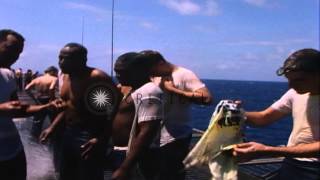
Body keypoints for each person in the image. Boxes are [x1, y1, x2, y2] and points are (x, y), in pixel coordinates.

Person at [233, 48, 320, 180]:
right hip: (292, 163)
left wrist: (267, 151)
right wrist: (238, 114)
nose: (291, 86)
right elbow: (264, 118)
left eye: (298, 80)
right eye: (289, 80)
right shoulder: (295, 93)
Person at [40, 43, 119, 180]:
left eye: (66, 59)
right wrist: (52, 127)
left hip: (90, 134)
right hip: (69, 132)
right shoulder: (67, 77)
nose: (61, 63)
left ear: (82, 60)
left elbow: (114, 110)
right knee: (66, 174)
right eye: (60, 58)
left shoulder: (95, 77)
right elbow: (68, 106)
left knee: (88, 175)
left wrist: (101, 138)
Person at [136, 50, 213, 179]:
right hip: (153, 137)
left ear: (160, 63)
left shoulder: (184, 74)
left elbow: (206, 98)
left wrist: (173, 90)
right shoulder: (154, 76)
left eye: (150, 68)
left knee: (171, 175)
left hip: (175, 138)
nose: (149, 72)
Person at [0, 29, 63, 180]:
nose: (15, 56)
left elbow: (19, 108)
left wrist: (46, 106)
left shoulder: (8, 75)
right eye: (10, 48)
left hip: (13, 150)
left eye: (18, 52)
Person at [112, 52, 164, 180]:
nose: (118, 76)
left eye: (122, 72)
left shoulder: (149, 91)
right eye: (116, 72)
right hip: (123, 154)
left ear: (139, 71)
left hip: (137, 159)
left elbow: (147, 132)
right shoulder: (133, 89)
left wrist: (125, 168)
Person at [25, 66, 59, 138]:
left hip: (39, 101)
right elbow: (51, 88)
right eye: (56, 72)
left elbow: (26, 88)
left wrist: (34, 98)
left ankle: (34, 140)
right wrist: (52, 99)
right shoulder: (54, 79)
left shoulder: (37, 79)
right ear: (52, 71)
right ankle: (54, 139)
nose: (57, 74)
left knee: (37, 122)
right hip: (49, 100)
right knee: (54, 121)